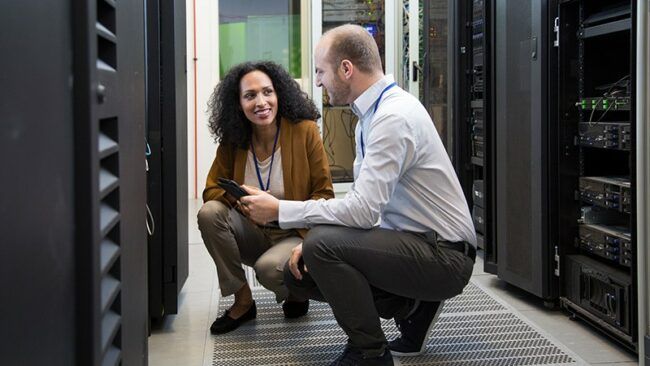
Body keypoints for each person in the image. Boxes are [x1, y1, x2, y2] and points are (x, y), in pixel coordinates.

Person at [240, 24, 476, 365]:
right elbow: (372, 207)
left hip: (445, 256)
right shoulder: (372, 114)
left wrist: (280, 210)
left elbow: (363, 212)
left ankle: (370, 354)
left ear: (346, 69)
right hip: (416, 244)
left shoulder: (393, 117)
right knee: (302, 272)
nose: (318, 81)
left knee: (321, 245)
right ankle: (412, 305)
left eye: (321, 71)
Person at [198, 61, 334, 335]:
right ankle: (243, 300)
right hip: (255, 231)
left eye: (267, 92)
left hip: (295, 231)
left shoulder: (305, 131)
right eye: (250, 95)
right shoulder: (234, 140)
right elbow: (211, 190)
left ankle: (298, 290)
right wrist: (244, 202)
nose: (261, 102)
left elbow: (324, 195)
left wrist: (279, 209)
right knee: (209, 213)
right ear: (238, 104)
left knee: (269, 271)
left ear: (279, 94)